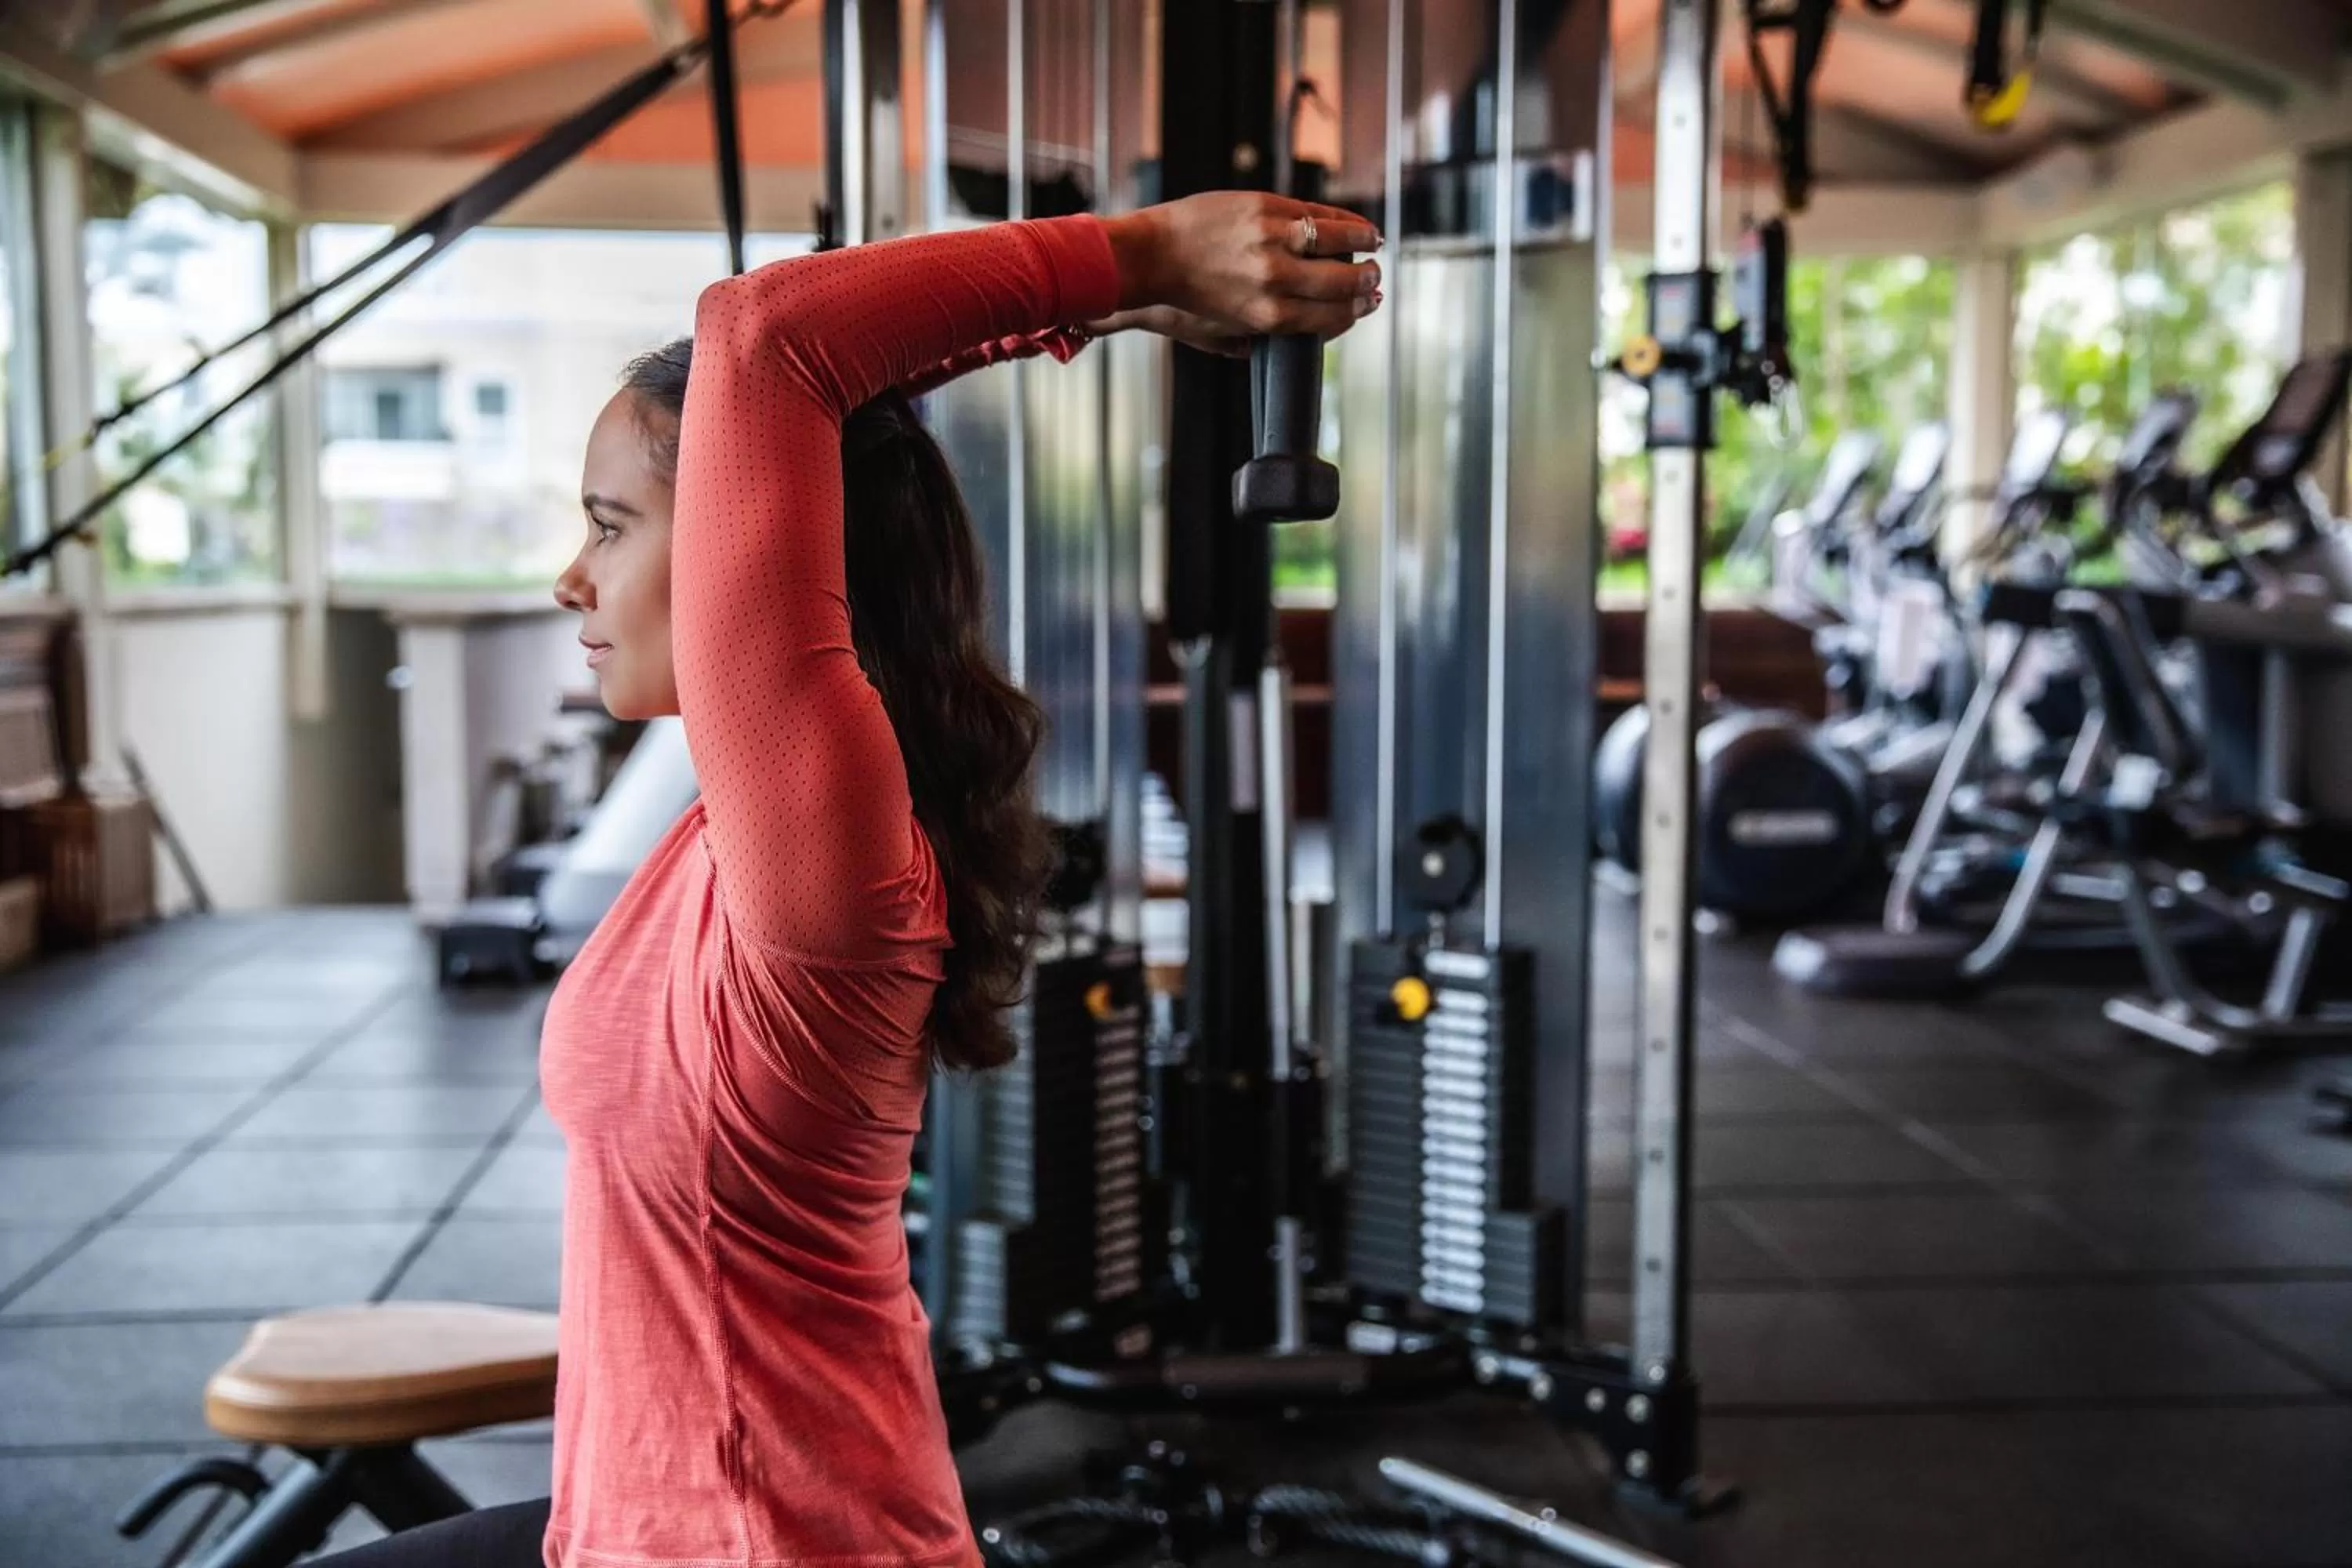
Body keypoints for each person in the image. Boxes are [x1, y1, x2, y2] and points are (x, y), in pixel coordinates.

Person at [310, 192, 1381, 1568]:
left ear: (748, 563)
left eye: (612, 526)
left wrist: (1146, 258)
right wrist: (1092, 310)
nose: (571, 579)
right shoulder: (736, 839)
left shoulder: (826, 859)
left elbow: (764, 337)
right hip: (639, 1525)